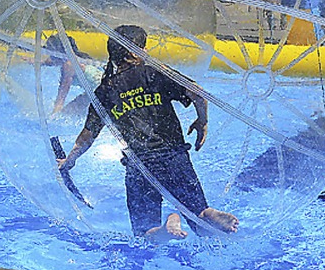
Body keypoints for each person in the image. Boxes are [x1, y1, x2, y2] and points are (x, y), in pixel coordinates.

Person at [57, 25, 238, 242]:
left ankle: (166, 225)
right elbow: (198, 94)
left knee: (145, 236)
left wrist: (70, 160)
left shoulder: (105, 90)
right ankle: (206, 213)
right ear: (135, 52)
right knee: (200, 220)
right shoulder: (155, 73)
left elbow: (87, 136)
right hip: (174, 158)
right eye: (144, 47)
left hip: (139, 166)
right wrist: (202, 121)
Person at [44, 34, 103, 115]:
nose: (49, 56)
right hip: (101, 87)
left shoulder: (68, 66)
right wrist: (34, 61)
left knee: (67, 113)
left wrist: (54, 112)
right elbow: (50, 62)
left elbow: (63, 92)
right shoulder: (77, 59)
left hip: (98, 92)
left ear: (58, 53)